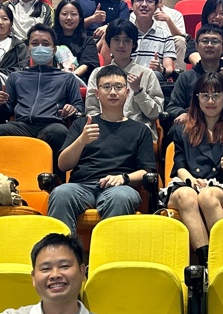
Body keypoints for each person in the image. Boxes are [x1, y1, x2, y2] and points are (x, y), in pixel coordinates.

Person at [48, 65, 156, 233]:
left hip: (120, 187)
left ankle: (109, 249)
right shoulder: (82, 125)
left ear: (127, 92)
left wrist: (123, 178)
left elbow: (147, 171)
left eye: (118, 87)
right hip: (81, 186)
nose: (113, 92)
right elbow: (63, 165)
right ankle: (64, 249)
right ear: (97, 93)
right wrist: (81, 140)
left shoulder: (141, 130)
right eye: (106, 87)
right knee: (61, 193)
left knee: (120, 197)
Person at [163, 73, 223, 264]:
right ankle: (206, 264)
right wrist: (192, 181)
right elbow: (179, 166)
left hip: (222, 186)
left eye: (216, 96)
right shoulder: (182, 130)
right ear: (197, 98)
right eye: (205, 95)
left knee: (207, 195)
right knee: (187, 195)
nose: (210, 101)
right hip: (187, 183)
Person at [0, 24, 83, 174]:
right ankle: (6, 179)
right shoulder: (16, 77)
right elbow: (6, 112)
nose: (40, 47)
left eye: (45, 44)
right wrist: (0, 104)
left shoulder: (67, 78)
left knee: (58, 132)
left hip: (51, 125)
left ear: (54, 49)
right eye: (35, 43)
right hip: (22, 125)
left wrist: (72, 109)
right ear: (28, 49)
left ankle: (55, 179)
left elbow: (78, 106)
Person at [85, 19, 163, 140]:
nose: (121, 45)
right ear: (109, 43)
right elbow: (91, 109)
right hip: (105, 133)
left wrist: (139, 92)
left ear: (134, 44)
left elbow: (156, 113)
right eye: (116, 39)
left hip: (138, 134)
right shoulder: (97, 73)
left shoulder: (147, 74)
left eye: (127, 40)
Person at [167, 24, 223, 123]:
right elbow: (172, 107)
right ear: (196, 46)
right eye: (205, 41)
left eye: (215, 41)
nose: (209, 45)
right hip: (193, 124)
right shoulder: (185, 77)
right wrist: (185, 113)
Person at [114, 0, 177, 82]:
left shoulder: (166, 36)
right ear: (131, 5)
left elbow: (169, 69)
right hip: (125, 80)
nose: (144, 4)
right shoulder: (123, 34)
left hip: (154, 82)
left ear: (156, 6)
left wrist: (161, 69)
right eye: (139, 0)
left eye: (149, 1)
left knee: (155, 75)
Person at [144, 0, 187, 69]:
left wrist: (168, 20)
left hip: (169, 47)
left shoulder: (175, 14)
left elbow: (182, 38)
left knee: (180, 40)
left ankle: (178, 75)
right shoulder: (139, 12)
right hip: (147, 44)